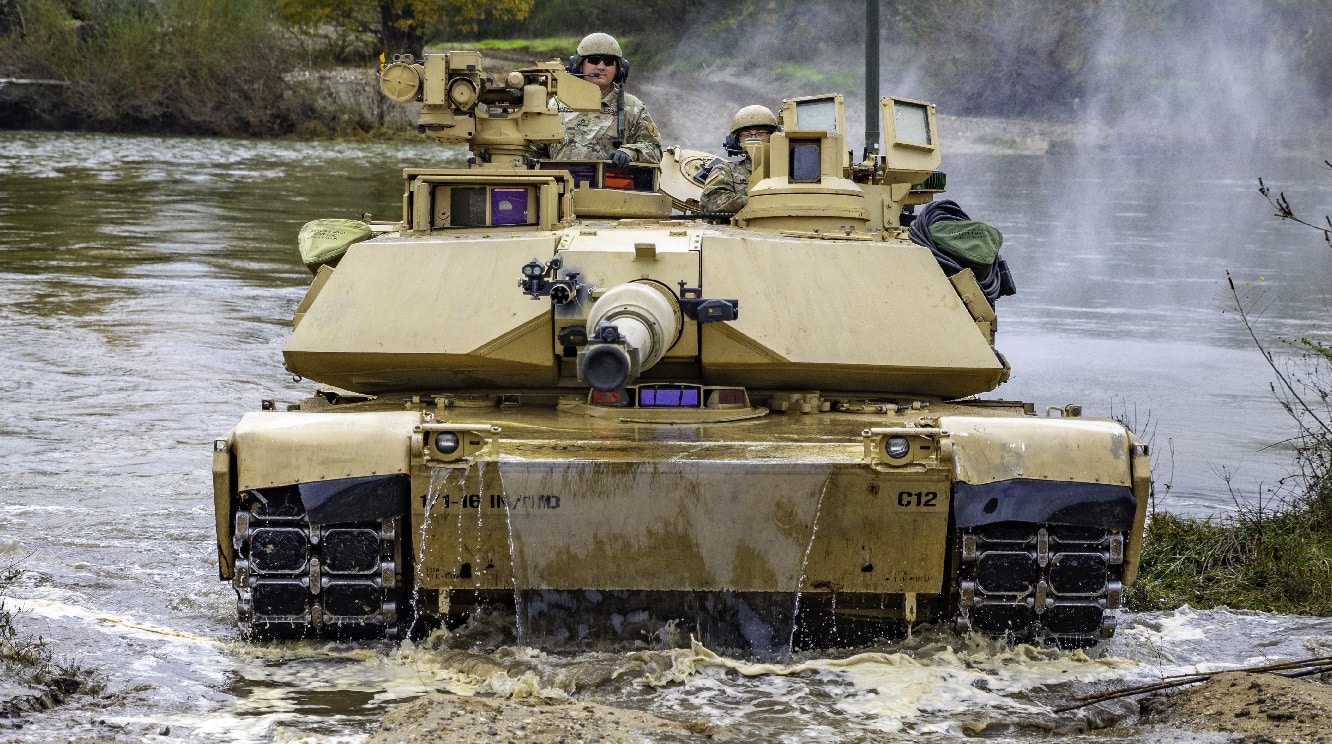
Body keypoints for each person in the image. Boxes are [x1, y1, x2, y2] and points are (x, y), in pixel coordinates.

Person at [532, 33, 661, 165]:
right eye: (594, 60)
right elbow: (533, 150)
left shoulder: (632, 108)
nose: (601, 67)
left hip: (607, 185)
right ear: (578, 65)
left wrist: (629, 152)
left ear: (620, 69)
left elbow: (655, 150)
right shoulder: (556, 104)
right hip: (556, 184)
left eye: (609, 61)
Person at [699, 104, 779, 214]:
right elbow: (711, 202)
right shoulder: (726, 170)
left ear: (775, 136)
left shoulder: (792, 170)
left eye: (761, 133)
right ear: (737, 142)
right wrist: (763, 202)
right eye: (746, 135)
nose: (754, 138)